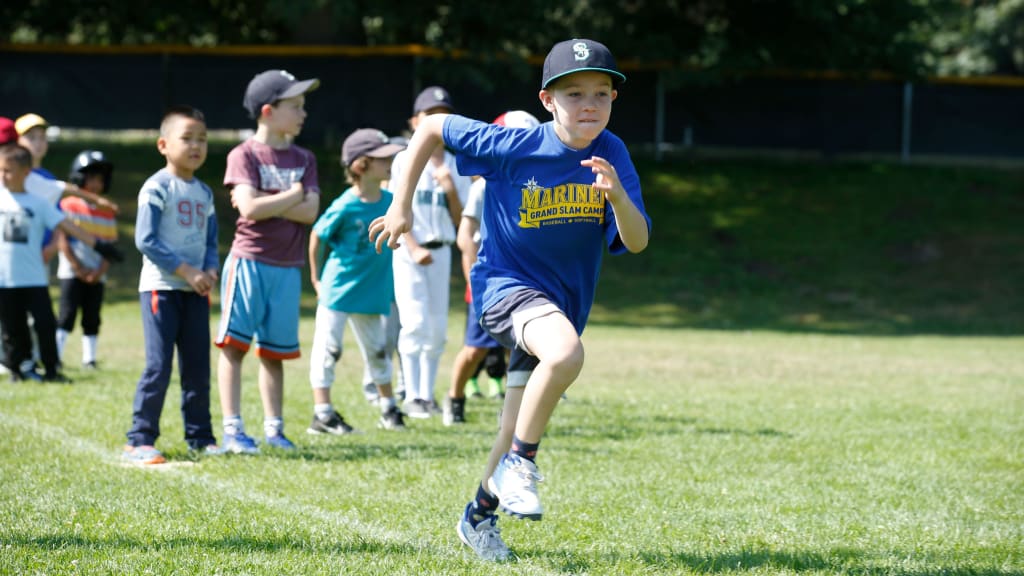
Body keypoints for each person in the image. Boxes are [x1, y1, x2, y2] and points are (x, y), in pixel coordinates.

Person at [369, 39, 650, 561]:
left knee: (512, 425)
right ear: (547, 100)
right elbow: (430, 128)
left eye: (601, 94)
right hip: (505, 289)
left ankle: (477, 516)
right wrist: (401, 205)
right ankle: (523, 464)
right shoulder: (512, 144)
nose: (589, 105)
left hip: (561, 307)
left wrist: (618, 197)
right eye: (574, 94)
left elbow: (636, 241)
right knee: (565, 356)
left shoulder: (611, 152)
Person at [216, 69, 320, 453]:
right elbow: (248, 207)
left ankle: (274, 430)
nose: (303, 114)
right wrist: (293, 194)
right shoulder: (243, 155)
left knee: (275, 353)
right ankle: (233, 429)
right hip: (249, 262)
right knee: (234, 346)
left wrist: (272, 201)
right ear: (267, 111)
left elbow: (310, 213)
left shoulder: (304, 157)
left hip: (287, 268)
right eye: (295, 106)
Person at [124, 106, 221, 465]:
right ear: (163, 144)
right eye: (187, 138)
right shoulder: (157, 186)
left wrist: (209, 269)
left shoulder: (205, 193)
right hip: (160, 290)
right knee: (159, 365)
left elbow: (211, 240)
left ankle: (201, 437)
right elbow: (145, 239)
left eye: (202, 139)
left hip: (195, 292)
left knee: (197, 366)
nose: (196, 146)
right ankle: (139, 439)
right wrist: (186, 271)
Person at [307, 128, 407, 435]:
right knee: (328, 349)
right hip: (338, 290)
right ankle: (322, 413)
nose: (389, 160)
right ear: (361, 165)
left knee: (377, 350)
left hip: (372, 291)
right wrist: (316, 278)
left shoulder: (391, 200)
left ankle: (389, 408)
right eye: (381, 157)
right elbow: (317, 237)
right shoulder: (345, 204)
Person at [443, 111, 540, 426]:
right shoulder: (483, 187)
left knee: (525, 350)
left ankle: (517, 415)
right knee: (475, 351)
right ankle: (454, 399)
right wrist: (474, 277)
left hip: (525, 284)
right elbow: (465, 236)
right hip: (490, 283)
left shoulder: (535, 184)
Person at [0, 143, 123, 383]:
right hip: (4, 279)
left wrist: (100, 246)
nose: (2, 176)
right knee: (12, 328)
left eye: (7, 171)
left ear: (26, 173)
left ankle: (52, 369)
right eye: (0, 170)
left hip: (34, 277)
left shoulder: (39, 202)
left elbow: (68, 226)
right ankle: (18, 368)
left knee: (45, 325)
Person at [389, 85, 472, 419]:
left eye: (445, 116)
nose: (438, 122)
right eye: (431, 116)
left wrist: (450, 187)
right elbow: (395, 210)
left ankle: (426, 394)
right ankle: (411, 393)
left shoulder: (456, 163)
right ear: (415, 121)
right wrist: (413, 246)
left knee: (437, 328)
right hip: (410, 251)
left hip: (442, 251)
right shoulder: (403, 160)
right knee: (415, 324)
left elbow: (461, 218)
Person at [54, 150, 117, 369]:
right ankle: (56, 356)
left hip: (97, 274)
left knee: (92, 317)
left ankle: (89, 358)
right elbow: (62, 239)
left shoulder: (107, 211)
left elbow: (110, 245)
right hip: (72, 272)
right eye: (90, 178)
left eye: (100, 179)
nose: (95, 184)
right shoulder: (69, 204)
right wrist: (77, 267)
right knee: (67, 314)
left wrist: (99, 271)